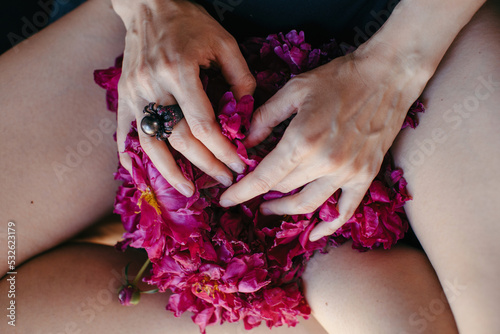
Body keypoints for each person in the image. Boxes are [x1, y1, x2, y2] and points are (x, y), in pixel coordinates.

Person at [0, 0, 499, 332]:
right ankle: (273, 289)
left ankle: (329, 282)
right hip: (173, 29)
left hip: (423, 28)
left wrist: (390, 68)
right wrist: (148, 11)